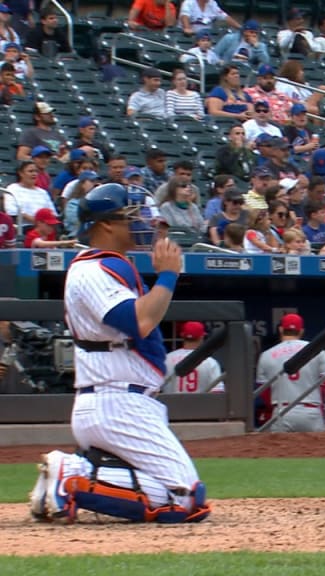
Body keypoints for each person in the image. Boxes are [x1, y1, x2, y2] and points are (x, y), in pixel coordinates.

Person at [28, 183, 210, 524]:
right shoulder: (93, 268)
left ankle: (78, 476)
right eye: (132, 215)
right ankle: (72, 474)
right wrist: (169, 276)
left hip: (120, 399)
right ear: (107, 224)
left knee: (171, 492)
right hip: (116, 403)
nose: (142, 221)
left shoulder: (107, 264)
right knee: (186, 499)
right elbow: (138, 321)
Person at [256, 314, 325, 432]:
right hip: (311, 412)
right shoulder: (316, 350)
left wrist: (273, 406)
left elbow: (263, 390)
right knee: (316, 449)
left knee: (280, 450)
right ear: (301, 331)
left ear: (281, 329)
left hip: (281, 411)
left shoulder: (266, 355)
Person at [164, 322, 223, 394]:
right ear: (202, 336)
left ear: (182, 335)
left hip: (169, 404)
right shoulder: (210, 362)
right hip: (199, 404)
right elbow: (217, 392)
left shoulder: (166, 359)